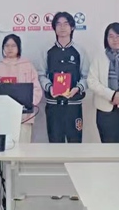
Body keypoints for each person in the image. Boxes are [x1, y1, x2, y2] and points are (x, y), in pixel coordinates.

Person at [38, 12, 89, 145]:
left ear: (72, 27)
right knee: (55, 144)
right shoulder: (47, 50)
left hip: (73, 106)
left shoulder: (79, 51)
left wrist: (77, 88)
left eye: (66, 24)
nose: (62, 27)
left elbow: (86, 76)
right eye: (59, 24)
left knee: (75, 144)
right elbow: (41, 74)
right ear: (54, 28)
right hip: (53, 106)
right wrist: (50, 87)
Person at [0, 34, 43, 143]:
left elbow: (36, 89)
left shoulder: (28, 66)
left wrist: (28, 105)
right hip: (4, 116)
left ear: (18, 48)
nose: (10, 48)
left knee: (23, 147)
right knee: (5, 147)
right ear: (3, 48)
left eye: (13, 46)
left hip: (24, 117)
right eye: (7, 46)